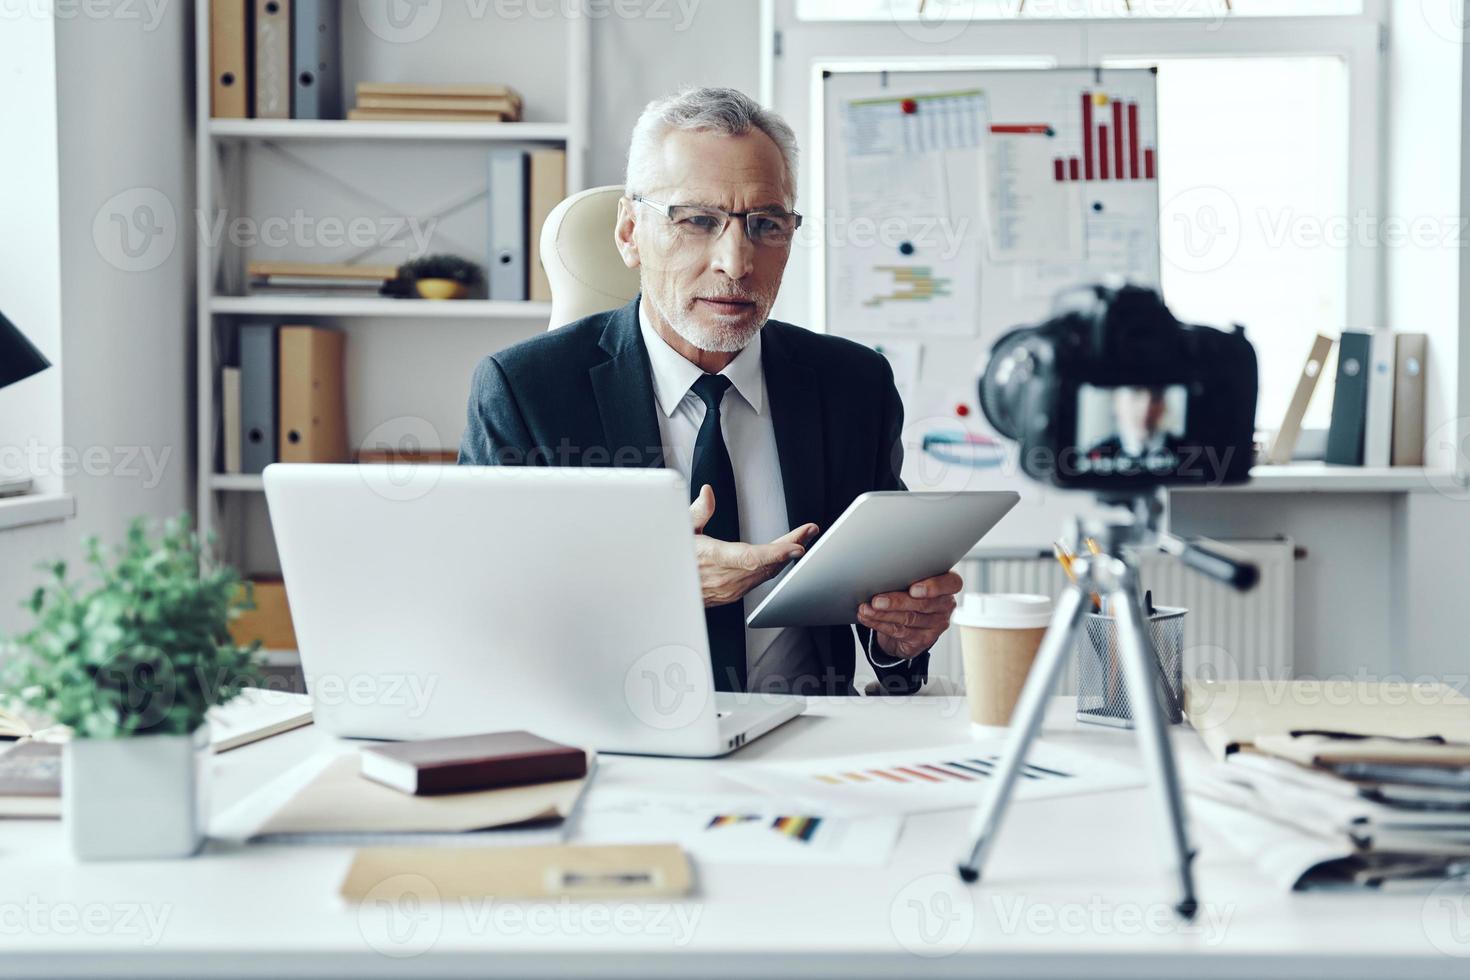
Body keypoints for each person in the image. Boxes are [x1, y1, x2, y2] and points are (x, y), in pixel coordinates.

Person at [459, 87, 961, 696]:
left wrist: (898, 639)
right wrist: (652, 578)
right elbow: (482, 614)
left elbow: (879, 606)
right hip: (616, 741)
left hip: (810, 748)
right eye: (697, 220)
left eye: (765, 225)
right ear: (628, 232)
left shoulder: (853, 384)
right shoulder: (525, 391)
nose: (736, 261)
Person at [1086, 386, 1185, 462]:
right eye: (1136, 394)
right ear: (1116, 401)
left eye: (1155, 397)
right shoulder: (1096, 455)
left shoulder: (1185, 452)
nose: (1146, 407)